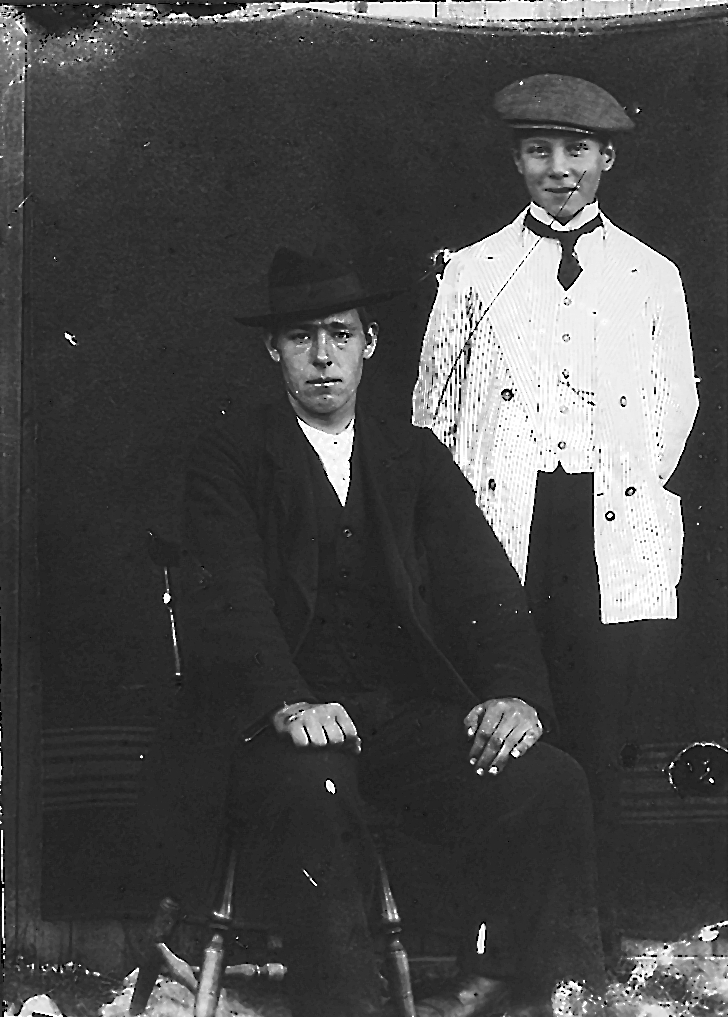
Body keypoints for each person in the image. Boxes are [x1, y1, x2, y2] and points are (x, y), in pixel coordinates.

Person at [139, 246, 604, 1017]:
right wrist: (288, 700)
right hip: (275, 729)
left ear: (370, 343)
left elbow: (486, 586)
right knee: (314, 790)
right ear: (274, 348)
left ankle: (519, 991)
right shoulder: (233, 454)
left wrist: (515, 693)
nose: (323, 355)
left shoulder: (410, 455)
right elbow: (230, 597)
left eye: (340, 334)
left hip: (395, 718)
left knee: (550, 780)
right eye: (301, 336)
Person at [412, 74, 699, 964]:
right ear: (517, 160)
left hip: (605, 532)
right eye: (540, 150)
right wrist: (467, 519)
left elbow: (676, 407)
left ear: (607, 157)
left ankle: (588, 946)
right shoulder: (473, 272)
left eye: (578, 150)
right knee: (499, 727)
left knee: (594, 734)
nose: (560, 168)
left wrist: (622, 478)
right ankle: (495, 940)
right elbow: (432, 411)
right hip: (503, 528)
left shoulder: (651, 275)